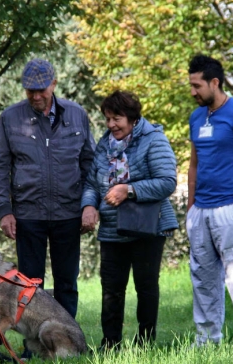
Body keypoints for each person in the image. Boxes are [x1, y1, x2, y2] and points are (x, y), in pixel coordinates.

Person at [0, 58, 95, 319]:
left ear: (54, 84)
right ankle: (32, 346)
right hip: (28, 216)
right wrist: (4, 211)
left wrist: (90, 204)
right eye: (30, 90)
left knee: (67, 284)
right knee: (29, 284)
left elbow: (90, 165)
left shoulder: (77, 114)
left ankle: (69, 342)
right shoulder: (10, 118)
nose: (36, 96)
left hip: (69, 214)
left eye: (41, 90)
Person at [80, 90, 178, 350]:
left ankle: (146, 344)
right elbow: (92, 182)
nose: (112, 125)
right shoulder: (104, 144)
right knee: (111, 288)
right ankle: (110, 344)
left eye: (117, 118)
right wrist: (89, 205)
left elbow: (167, 181)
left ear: (133, 118)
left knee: (146, 286)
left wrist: (129, 190)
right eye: (108, 119)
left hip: (147, 226)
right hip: (112, 228)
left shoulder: (154, 139)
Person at [186, 55, 233, 346]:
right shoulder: (196, 117)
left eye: (197, 85)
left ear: (214, 82)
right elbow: (193, 164)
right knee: (203, 279)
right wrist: (191, 209)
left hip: (228, 210)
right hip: (201, 211)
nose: (193, 91)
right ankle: (206, 340)